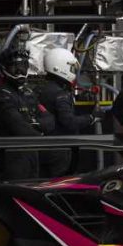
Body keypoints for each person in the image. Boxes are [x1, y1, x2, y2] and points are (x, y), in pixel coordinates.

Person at [0, 47, 55, 180]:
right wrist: (38, 129)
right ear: (3, 68)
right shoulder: (1, 96)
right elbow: (20, 128)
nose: (20, 70)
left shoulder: (28, 93)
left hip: (32, 155)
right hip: (13, 158)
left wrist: (34, 123)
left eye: (23, 65)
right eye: (14, 66)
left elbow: (50, 121)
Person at [38, 48, 94, 177]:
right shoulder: (60, 93)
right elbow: (69, 122)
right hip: (59, 148)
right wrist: (91, 118)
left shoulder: (40, 89)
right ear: (60, 67)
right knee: (61, 183)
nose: (73, 72)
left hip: (42, 147)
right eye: (71, 68)